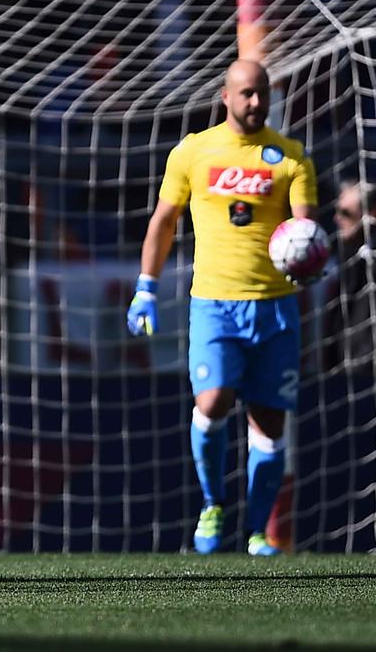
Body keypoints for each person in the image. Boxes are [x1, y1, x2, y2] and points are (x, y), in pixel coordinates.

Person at [127, 59, 317, 556]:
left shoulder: (290, 157)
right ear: (225, 95)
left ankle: (257, 532)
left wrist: (310, 254)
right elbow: (165, 220)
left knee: (270, 422)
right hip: (214, 303)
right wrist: (146, 286)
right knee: (211, 404)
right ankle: (213, 503)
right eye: (246, 93)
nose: (255, 102)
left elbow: (304, 229)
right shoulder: (193, 151)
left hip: (276, 308)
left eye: (262, 94)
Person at [327, 181, 376, 371]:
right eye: (337, 211)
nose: (336, 218)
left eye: (345, 213)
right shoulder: (345, 255)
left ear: (371, 214)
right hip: (342, 366)